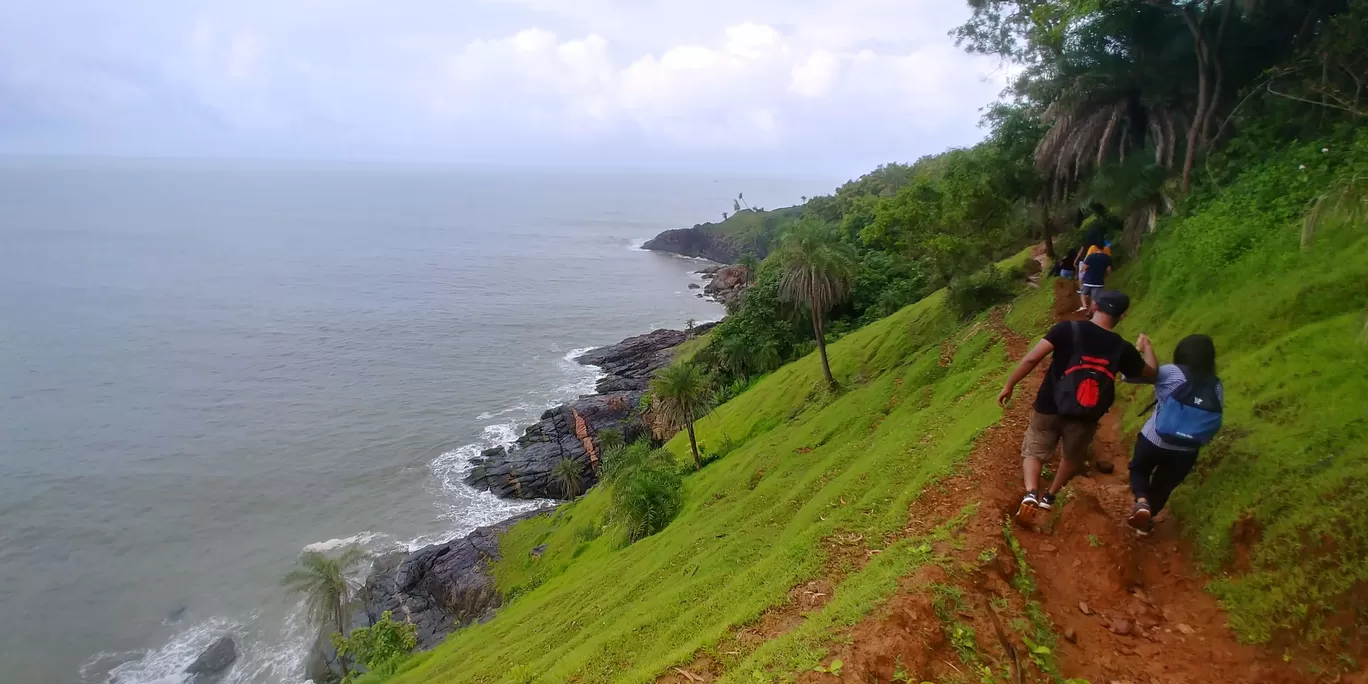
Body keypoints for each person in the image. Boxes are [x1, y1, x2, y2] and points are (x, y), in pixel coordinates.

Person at [997, 290, 1158, 523]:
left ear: (1094, 306)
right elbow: (1151, 375)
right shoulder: (1122, 348)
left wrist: (1009, 384)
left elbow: (1032, 359)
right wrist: (1147, 348)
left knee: (1035, 447)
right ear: (1122, 316)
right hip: (1086, 413)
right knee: (1072, 456)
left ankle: (1031, 492)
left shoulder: (1065, 329)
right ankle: (1049, 497)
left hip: (1049, 404)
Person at [1126, 334, 1224, 536]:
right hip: (1187, 450)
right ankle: (1147, 521)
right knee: (1164, 485)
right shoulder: (1216, 386)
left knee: (1140, 469)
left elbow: (1130, 375)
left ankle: (1142, 502)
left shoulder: (1173, 373)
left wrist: (1145, 348)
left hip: (1154, 439)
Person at [1077, 244, 1113, 312]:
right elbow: (1108, 270)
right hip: (1099, 282)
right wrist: (1108, 276)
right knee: (1094, 299)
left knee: (1082, 293)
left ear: (1095, 249)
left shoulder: (1090, 257)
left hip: (1088, 281)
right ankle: (1090, 312)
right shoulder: (1106, 258)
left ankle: (1084, 306)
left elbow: (1084, 268)